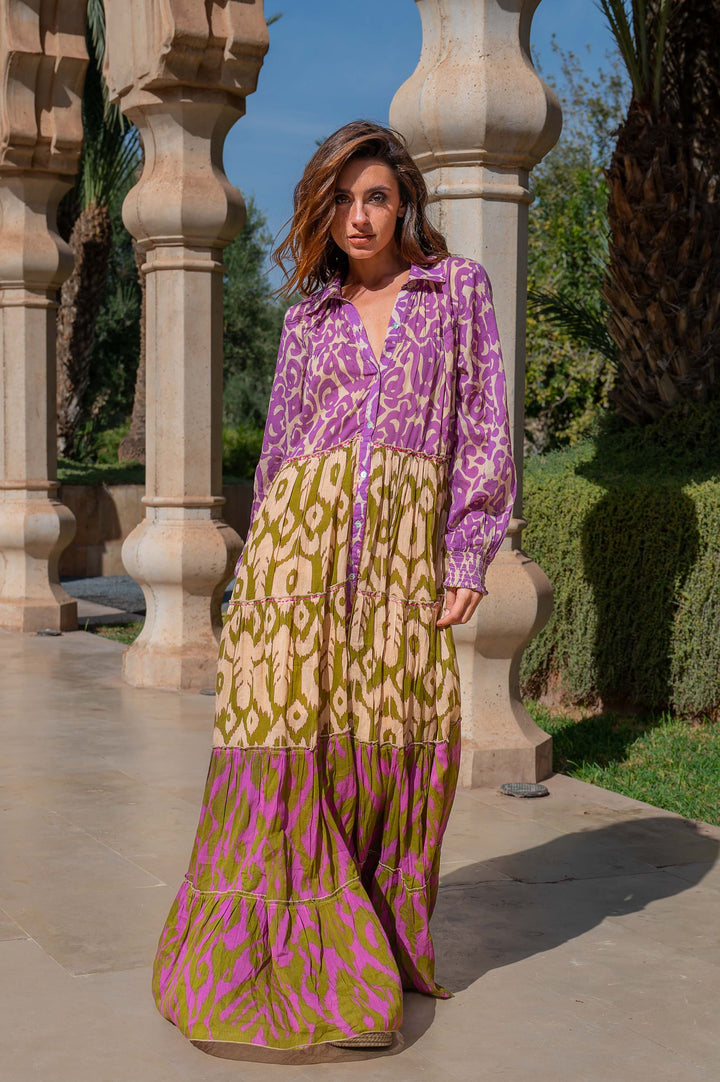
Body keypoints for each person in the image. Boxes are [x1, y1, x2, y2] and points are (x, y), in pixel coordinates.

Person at [152, 120, 516, 1053]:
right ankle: (290, 963)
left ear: (405, 204)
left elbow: (484, 428)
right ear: (322, 210)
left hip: (400, 559)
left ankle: (372, 948)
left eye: (377, 197)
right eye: (342, 200)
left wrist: (467, 554)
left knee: (389, 741)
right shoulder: (307, 319)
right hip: (295, 558)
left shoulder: (455, 290)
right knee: (286, 750)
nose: (359, 217)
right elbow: (279, 453)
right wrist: (253, 584)